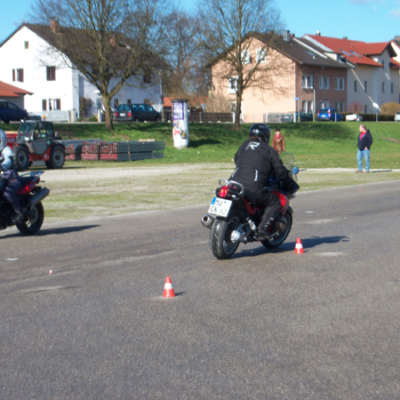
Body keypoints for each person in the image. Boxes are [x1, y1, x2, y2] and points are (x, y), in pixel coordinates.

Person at [230, 124, 291, 238]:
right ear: (266, 137)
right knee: (275, 203)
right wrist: (287, 181)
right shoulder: (269, 150)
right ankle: (262, 230)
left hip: (233, 183)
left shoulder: (244, 145)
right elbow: (280, 171)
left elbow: (237, 159)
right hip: (252, 186)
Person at [0, 129, 24, 222]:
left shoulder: (6, 150)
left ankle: (19, 213)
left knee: (7, 192)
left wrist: (2, 165)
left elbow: (8, 160)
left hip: (12, 180)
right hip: (2, 180)